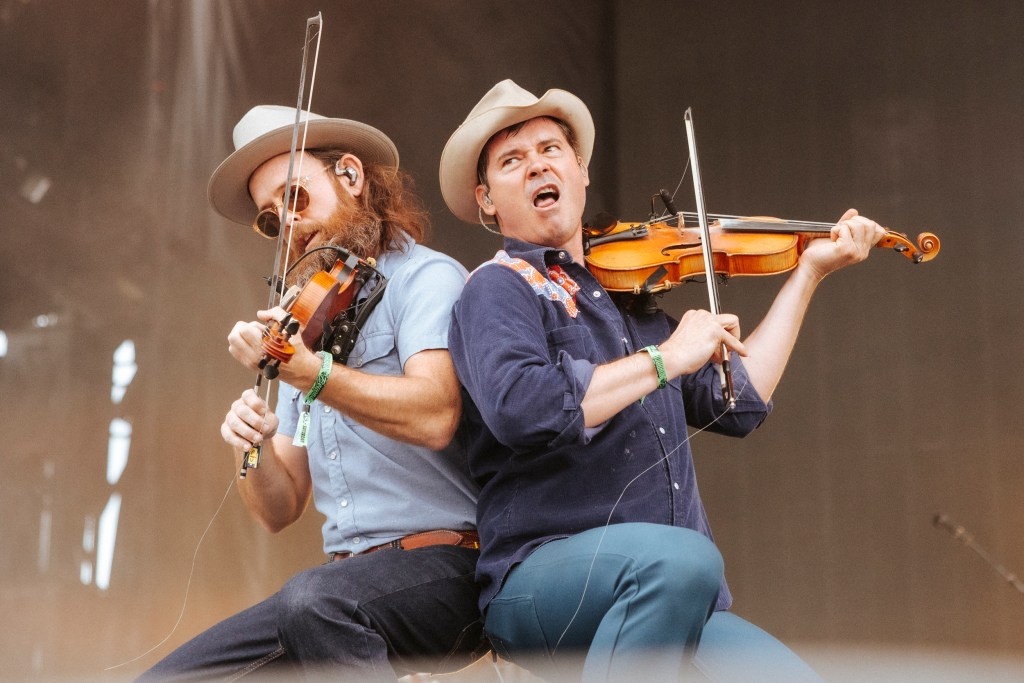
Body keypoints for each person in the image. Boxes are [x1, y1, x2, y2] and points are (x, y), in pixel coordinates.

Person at [439, 79, 885, 682]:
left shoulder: (627, 297)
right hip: (540, 584)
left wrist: (807, 274)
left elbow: (739, 403)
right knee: (682, 560)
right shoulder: (497, 288)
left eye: (551, 149)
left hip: (672, 589)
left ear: (581, 170)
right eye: (512, 161)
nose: (537, 165)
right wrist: (666, 360)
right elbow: (524, 408)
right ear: (487, 199)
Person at [141, 105, 484, 680]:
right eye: (271, 220)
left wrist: (310, 373)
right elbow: (280, 507)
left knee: (314, 600)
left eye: (294, 197)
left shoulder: (426, 278)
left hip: (450, 568)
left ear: (349, 175)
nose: (289, 226)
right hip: (338, 595)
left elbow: (436, 415)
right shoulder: (308, 325)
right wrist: (247, 445)